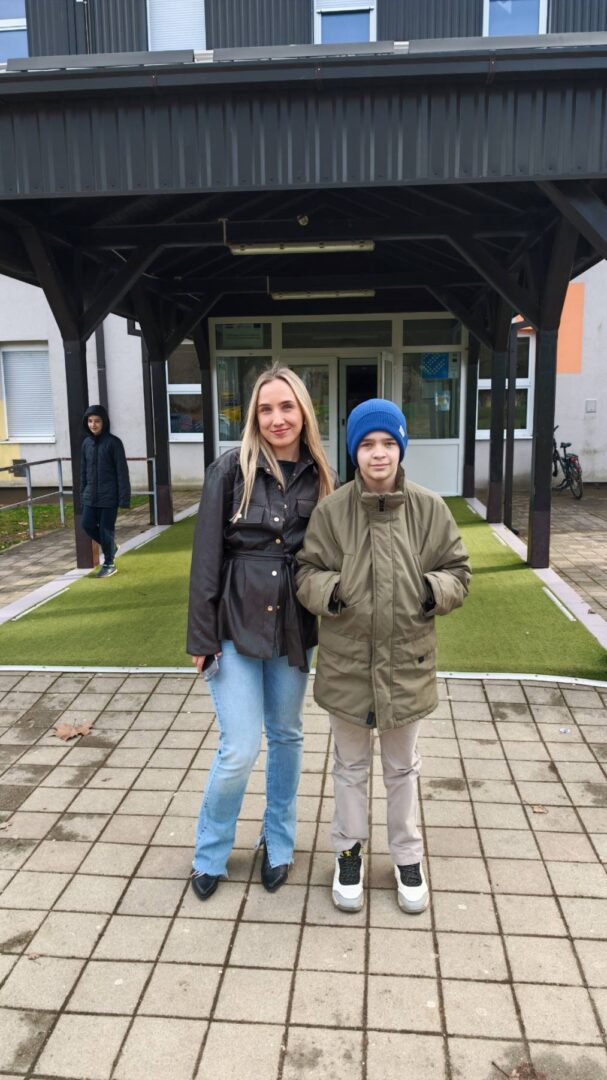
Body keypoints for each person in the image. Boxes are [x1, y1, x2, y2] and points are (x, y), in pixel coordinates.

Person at [296, 399, 470, 914]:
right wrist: (333, 591)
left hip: (406, 666)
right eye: (368, 443)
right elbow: (306, 571)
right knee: (349, 766)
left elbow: (458, 571)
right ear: (354, 451)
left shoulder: (429, 509)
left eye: (389, 443)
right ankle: (348, 852)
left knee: (402, 769)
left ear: (401, 448)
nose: (379, 453)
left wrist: (428, 590)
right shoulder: (331, 511)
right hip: (347, 666)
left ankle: (407, 856)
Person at [187, 364, 334, 901]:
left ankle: (279, 842)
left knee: (288, 735)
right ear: (254, 416)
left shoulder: (321, 476)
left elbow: (327, 557)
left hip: (293, 626)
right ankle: (210, 852)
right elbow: (206, 556)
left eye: (286, 407)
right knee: (240, 745)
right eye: (266, 409)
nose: (277, 419)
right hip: (234, 622)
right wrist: (201, 637)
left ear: (303, 412)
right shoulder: (231, 469)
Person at [80, 405, 131, 578]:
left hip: (110, 496)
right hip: (90, 496)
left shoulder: (114, 443)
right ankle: (112, 547)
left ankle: (109, 563)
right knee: (86, 524)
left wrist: (124, 498)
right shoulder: (86, 444)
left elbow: (122, 472)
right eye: (90, 421)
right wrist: (83, 494)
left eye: (97, 421)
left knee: (105, 530)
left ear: (104, 423)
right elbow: (83, 472)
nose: (93, 424)